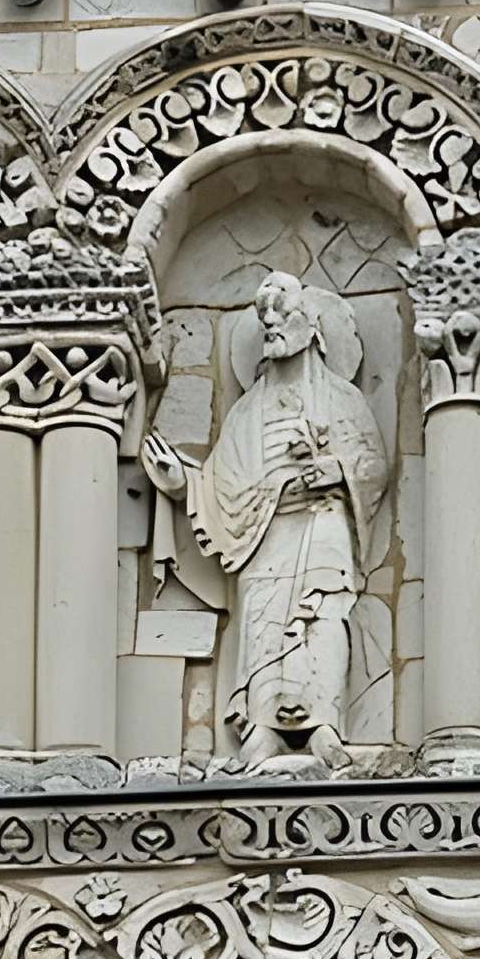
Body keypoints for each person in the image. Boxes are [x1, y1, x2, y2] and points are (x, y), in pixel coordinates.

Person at [146, 271, 389, 764]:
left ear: (313, 328)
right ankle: (262, 727)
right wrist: (183, 483)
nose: (272, 326)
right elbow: (224, 484)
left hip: (324, 526)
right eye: (265, 319)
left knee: (322, 616)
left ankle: (324, 724)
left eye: (284, 316)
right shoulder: (246, 412)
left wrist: (335, 471)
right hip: (263, 532)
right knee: (261, 621)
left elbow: (372, 465)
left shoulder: (345, 400)